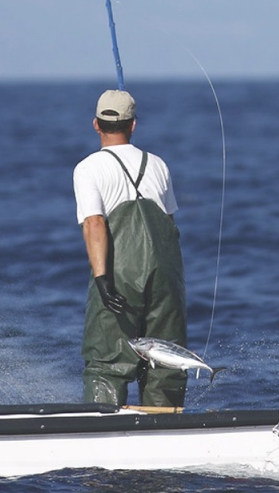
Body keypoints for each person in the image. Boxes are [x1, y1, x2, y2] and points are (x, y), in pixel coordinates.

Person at [73, 89, 188, 407]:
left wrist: (102, 278)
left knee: (109, 362)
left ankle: (102, 431)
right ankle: (166, 430)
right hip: (166, 275)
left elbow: (94, 223)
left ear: (96, 124)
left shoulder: (89, 168)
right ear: (133, 125)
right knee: (166, 363)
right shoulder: (158, 165)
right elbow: (169, 223)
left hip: (119, 273)